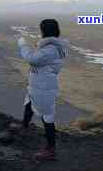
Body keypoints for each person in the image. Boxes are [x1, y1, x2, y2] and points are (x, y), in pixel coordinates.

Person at [12, 19, 69, 161]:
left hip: (44, 88)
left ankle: (51, 149)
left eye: (41, 29)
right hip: (38, 86)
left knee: (47, 117)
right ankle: (24, 126)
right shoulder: (51, 46)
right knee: (29, 103)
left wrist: (23, 44)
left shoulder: (50, 49)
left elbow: (31, 59)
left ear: (44, 31)